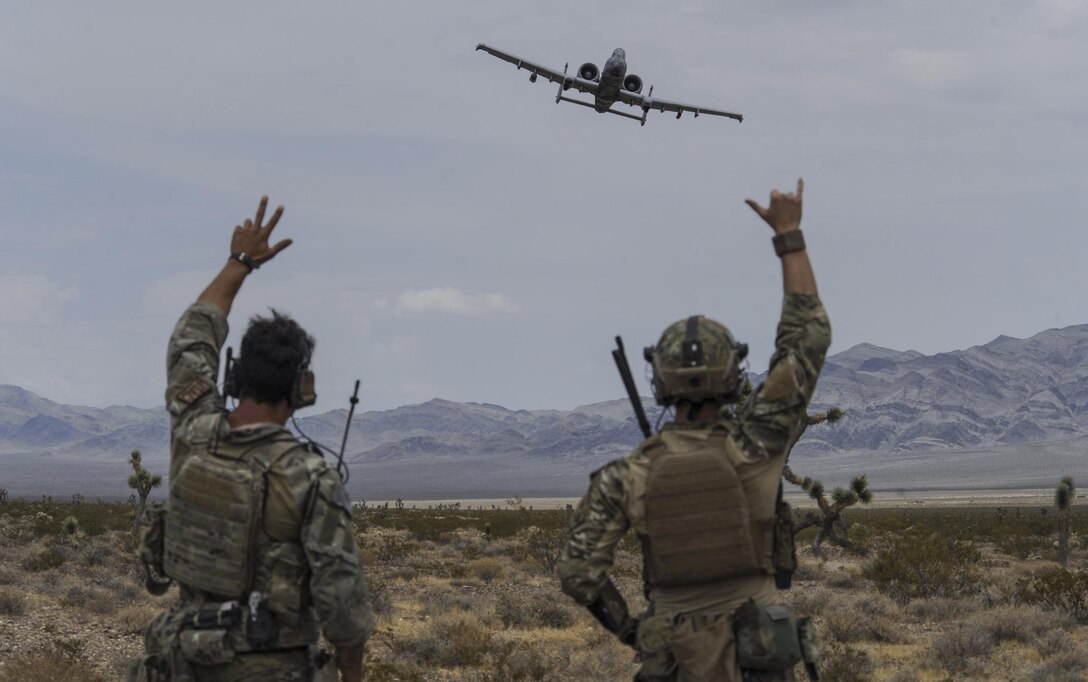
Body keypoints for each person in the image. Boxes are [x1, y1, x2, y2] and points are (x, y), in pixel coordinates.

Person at [556, 179, 830, 681]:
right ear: (732, 376)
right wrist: (789, 235)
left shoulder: (628, 476)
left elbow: (578, 571)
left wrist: (632, 631)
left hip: (674, 659)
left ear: (659, 379)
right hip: (760, 657)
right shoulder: (758, 444)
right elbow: (808, 338)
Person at [132, 197, 375, 682]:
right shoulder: (310, 477)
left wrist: (238, 262)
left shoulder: (194, 432)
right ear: (300, 391)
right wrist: (351, 670)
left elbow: (192, 334)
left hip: (181, 662)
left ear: (235, 374)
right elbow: (340, 600)